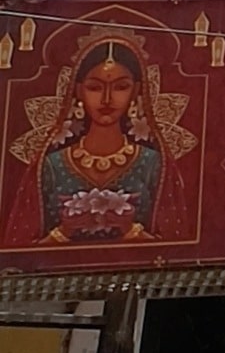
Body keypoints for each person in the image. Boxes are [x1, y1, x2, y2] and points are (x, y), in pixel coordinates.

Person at [4, 36, 190, 246]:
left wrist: (130, 230)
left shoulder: (153, 164)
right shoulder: (51, 166)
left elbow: (177, 249)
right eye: (95, 88)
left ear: (136, 91)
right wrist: (64, 232)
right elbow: (17, 253)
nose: (107, 99)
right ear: (79, 91)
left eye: (121, 87)